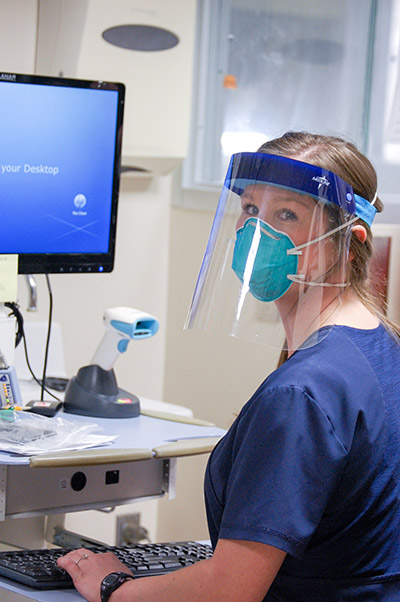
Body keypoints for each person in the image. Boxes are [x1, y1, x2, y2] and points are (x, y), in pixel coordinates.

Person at [58, 132, 400, 601]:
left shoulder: (303, 392)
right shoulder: (380, 349)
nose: (257, 233)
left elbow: (229, 592)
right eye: (251, 210)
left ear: (348, 242)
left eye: (286, 214)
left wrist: (113, 585)